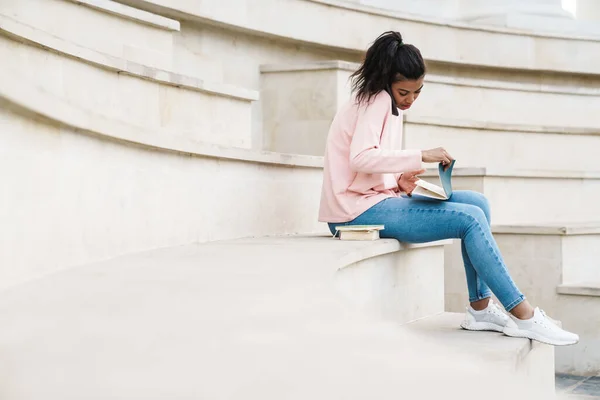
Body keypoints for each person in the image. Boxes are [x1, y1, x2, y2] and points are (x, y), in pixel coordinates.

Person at [318, 31, 578, 346]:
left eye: (417, 92)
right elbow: (361, 158)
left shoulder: (383, 101)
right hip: (353, 212)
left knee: (478, 203)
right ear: (388, 81)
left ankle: (479, 308)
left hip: (371, 200)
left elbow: (363, 163)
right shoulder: (379, 100)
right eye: (405, 91)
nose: (410, 99)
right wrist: (421, 155)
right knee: (468, 219)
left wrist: (397, 182)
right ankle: (523, 313)